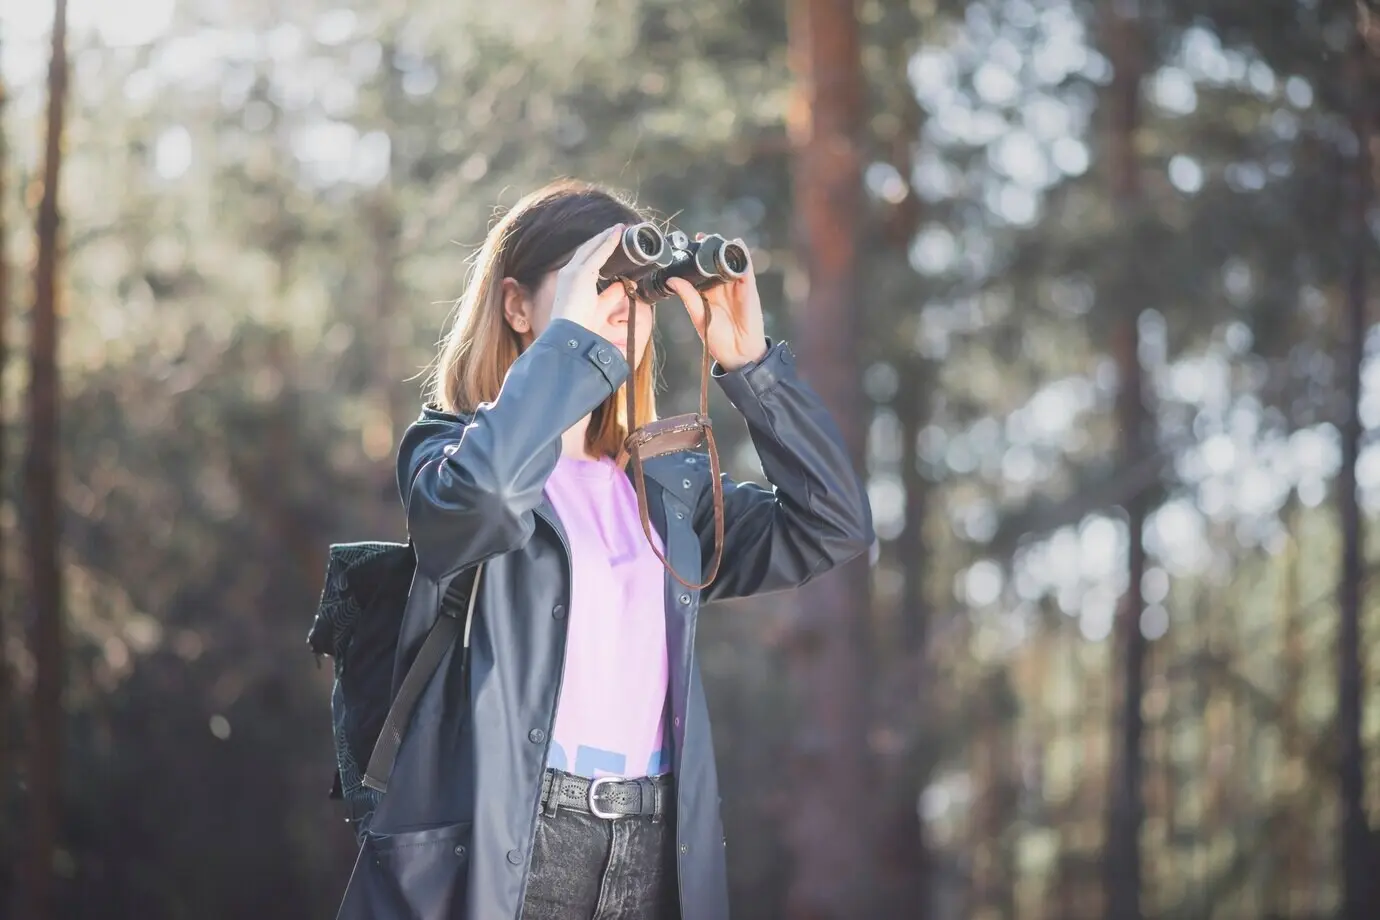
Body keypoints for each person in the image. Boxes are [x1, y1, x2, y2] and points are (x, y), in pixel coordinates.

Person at [339, 179, 873, 920]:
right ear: (517, 306)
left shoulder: (663, 491)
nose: (622, 301)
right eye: (596, 278)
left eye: (638, 286)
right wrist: (576, 344)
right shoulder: (451, 452)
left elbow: (834, 523)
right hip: (520, 838)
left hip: (656, 845)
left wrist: (751, 367)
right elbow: (482, 503)